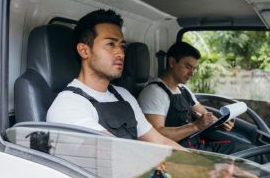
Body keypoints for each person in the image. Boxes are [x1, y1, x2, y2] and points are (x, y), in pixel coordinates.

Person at [46, 9, 183, 150]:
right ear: (84, 51)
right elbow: (115, 155)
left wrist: (199, 166)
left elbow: (160, 142)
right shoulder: (69, 105)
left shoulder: (123, 95)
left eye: (122, 46)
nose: (121, 54)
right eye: (111, 44)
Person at [138, 41, 235, 153]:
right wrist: (195, 126)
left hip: (196, 146)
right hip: (178, 154)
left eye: (194, 69)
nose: (192, 73)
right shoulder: (154, 92)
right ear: (172, 62)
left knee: (240, 148)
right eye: (188, 67)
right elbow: (155, 135)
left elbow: (205, 115)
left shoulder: (184, 90)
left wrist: (221, 122)